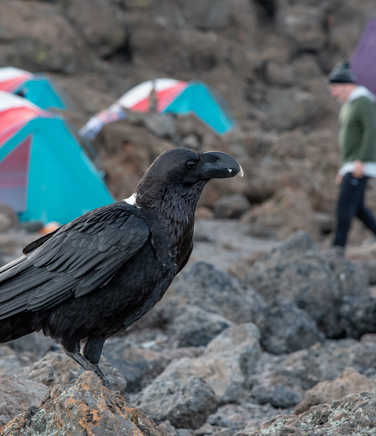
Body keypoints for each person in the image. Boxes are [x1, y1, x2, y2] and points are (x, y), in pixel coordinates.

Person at [329, 61, 376, 253]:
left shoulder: (363, 101)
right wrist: (343, 167)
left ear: (347, 85)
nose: (333, 93)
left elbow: (371, 130)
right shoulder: (348, 105)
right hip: (350, 164)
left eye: (335, 88)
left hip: (360, 164)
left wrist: (361, 160)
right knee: (357, 209)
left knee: (344, 207)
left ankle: (338, 249)